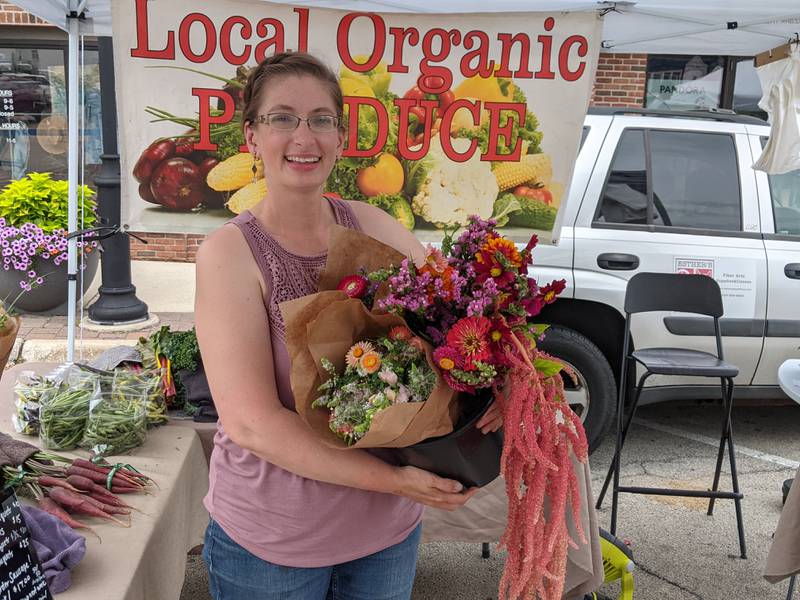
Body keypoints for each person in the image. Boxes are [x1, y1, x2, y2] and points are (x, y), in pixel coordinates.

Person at [194, 51, 503, 600]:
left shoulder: (375, 225)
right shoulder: (229, 255)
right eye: (282, 117)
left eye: (320, 120)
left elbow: (455, 321)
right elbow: (251, 423)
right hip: (273, 548)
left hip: (385, 535)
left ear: (340, 136)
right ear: (251, 137)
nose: (303, 137)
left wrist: (499, 381)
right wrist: (394, 480)